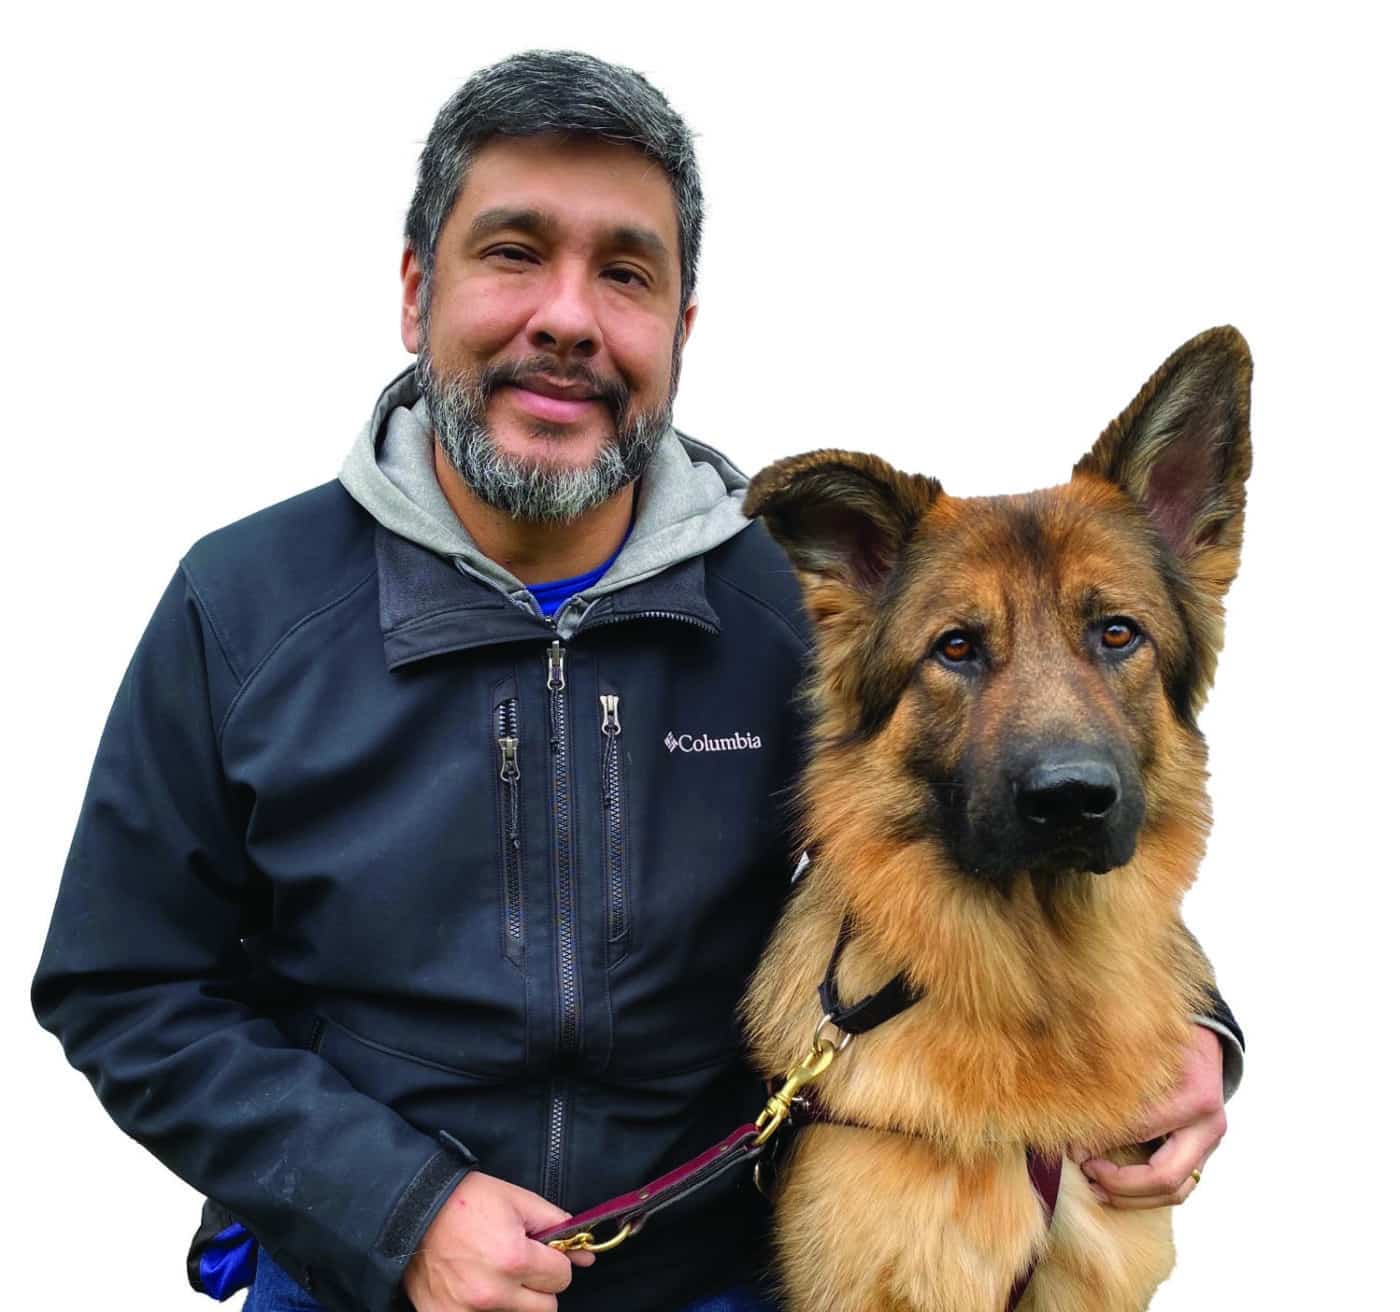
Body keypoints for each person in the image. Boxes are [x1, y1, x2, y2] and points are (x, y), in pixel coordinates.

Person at [32, 50, 1242, 1312]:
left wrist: (1202, 1031)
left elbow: (1026, 812)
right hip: (357, 1273)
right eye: (512, 252)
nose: (567, 316)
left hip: (720, 1274)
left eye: (623, 272)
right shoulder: (245, 605)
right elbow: (123, 985)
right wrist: (397, 1214)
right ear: (413, 291)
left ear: (679, 328)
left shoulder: (799, 600)